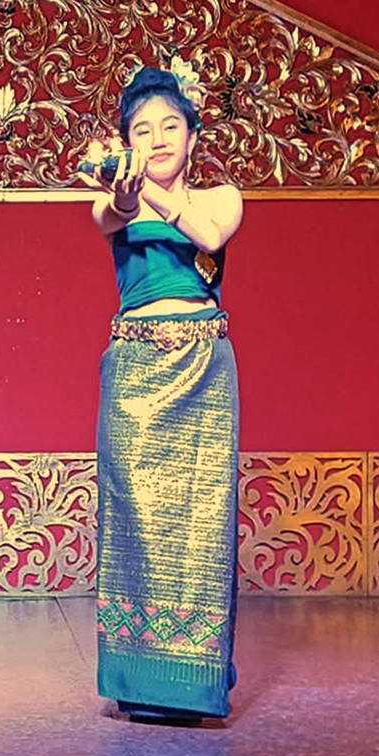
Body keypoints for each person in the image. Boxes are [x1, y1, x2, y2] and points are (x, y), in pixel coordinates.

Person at [79, 63, 245, 722]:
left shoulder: (221, 198)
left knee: (201, 529)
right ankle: (138, 679)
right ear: (127, 141)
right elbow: (113, 215)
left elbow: (209, 235)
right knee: (136, 524)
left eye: (170, 126)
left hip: (204, 371)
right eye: (142, 130)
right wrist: (124, 190)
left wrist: (148, 187)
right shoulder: (114, 201)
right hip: (134, 374)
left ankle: (191, 684)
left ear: (193, 136)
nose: (157, 139)